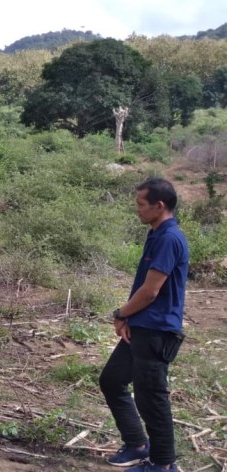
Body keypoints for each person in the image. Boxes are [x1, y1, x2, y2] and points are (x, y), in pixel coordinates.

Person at [99, 178, 188, 472]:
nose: (137, 208)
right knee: (112, 380)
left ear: (158, 206)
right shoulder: (156, 234)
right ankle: (137, 445)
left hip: (157, 332)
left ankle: (163, 464)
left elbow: (150, 291)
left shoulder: (169, 239)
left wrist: (121, 313)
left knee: (152, 398)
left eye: (140, 203)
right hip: (142, 327)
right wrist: (130, 319)